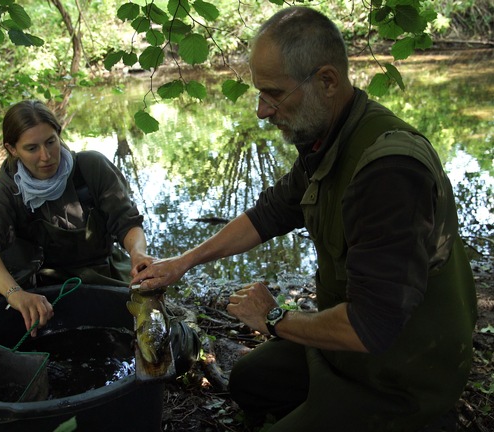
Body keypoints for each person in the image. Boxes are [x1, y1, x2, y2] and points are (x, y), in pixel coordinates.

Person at [131, 6, 477, 431]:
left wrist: (276, 320)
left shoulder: (389, 172)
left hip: (398, 373)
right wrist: (181, 263)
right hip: (343, 350)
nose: (261, 110)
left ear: (327, 81)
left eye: (274, 94)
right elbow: (269, 213)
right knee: (250, 382)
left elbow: (374, 326)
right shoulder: (328, 138)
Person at [0, 100, 199, 371]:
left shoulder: (90, 167)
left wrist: (137, 253)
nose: (46, 156)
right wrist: (15, 293)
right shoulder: (8, 190)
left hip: (104, 276)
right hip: (46, 292)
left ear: (59, 134)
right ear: (12, 150)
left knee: (174, 349)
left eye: (51, 142)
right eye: (32, 148)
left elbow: (127, 223)